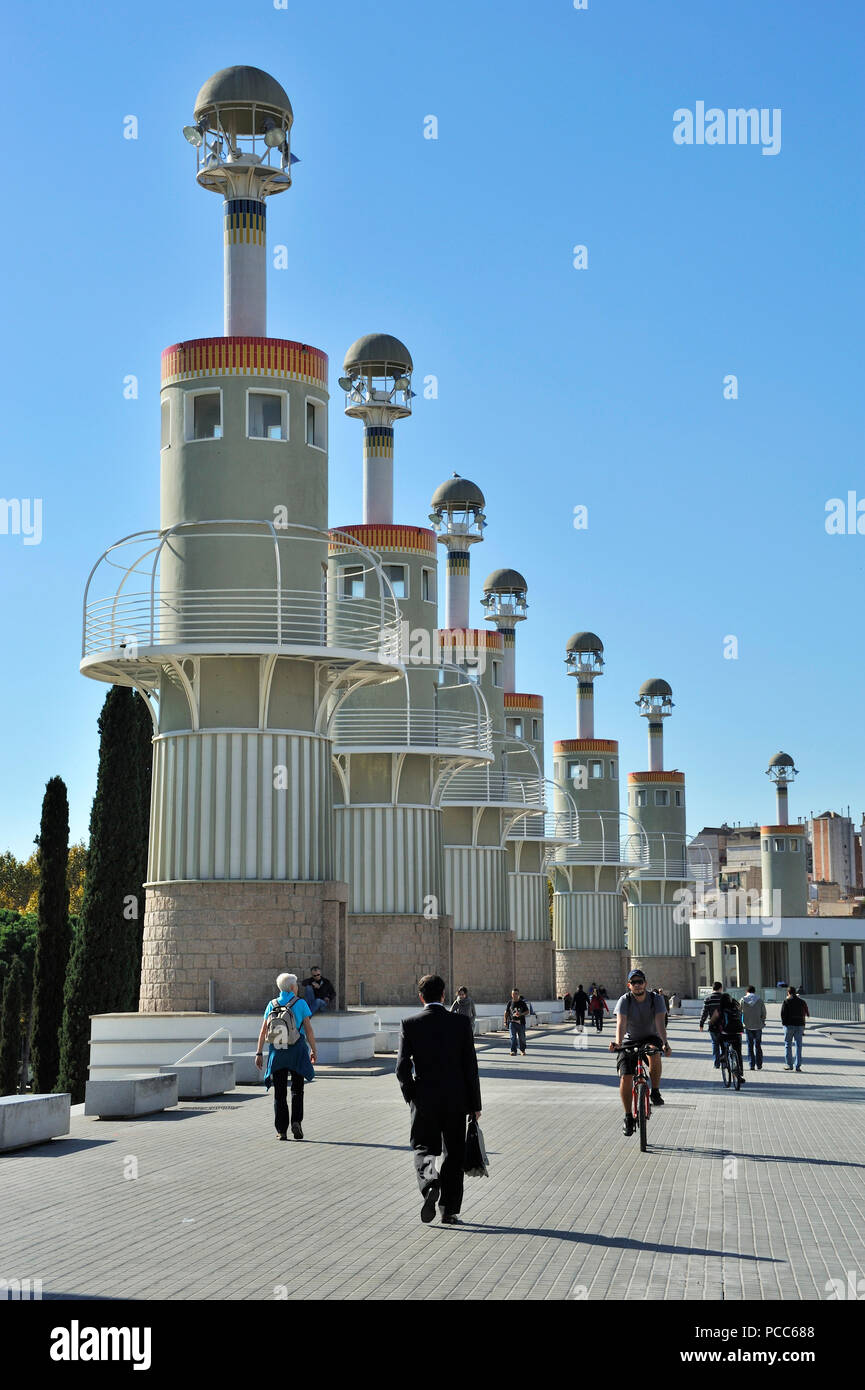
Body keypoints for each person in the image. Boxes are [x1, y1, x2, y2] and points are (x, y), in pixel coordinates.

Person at [396, 973, 482, 1225]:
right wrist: (475, 1105)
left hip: (424, 1099)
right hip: (456, 1101)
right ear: (444, 995)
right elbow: (471, 1067)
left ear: (421, 996)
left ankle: (430, 1182)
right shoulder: (460, 1023)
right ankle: (449, 1210)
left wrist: (412, 1095)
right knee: (454, 1153)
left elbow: (401, 1067)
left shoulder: (409, 1023)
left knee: (423, 1147)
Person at [255, 972, 317, 1140]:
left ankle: (281, 1130)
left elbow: (263, 1030)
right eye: (296, 985)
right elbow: (309, 1029)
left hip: (277, 1052)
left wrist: (259, 1052)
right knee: (297, 1090)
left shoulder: (272, 1004)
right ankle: (296, 1122)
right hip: (297, 1051)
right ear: (291, 987)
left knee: (279, 1093)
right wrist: (313, 1049)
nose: (297, 987)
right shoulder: (301, 1003)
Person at [610, 970, 671, 1133]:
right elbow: (621, 1024)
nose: (637, 985)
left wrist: (664, 1043)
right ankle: (628, 1116)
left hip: (651, 1037)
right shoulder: (625, 1000)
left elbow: (660, 1023)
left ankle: (655, 1091)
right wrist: (617, 1042)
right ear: (629, 985)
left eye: (640, 982)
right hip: (630, 1041)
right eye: (634, 982)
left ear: (645, 983)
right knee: (626, 1077)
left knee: (654, 1052)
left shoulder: (656, 999)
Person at [706, 990, 745, 1078]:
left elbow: (712, 1021)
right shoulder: (737, 1008)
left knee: (721, 1041)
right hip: (738, 1032)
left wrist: (710, 1023)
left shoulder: (719, 1010)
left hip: (726, 1033)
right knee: (738, 1052)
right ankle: (740, 1073)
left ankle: (724, 1055)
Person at [781, 986, 809, 1071]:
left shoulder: (786, 1001)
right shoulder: (801, 1001)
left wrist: (784, 1024)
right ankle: (798, 1066)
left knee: (788, 1045)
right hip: (799, 1025)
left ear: (788, 993)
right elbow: (804, 1012)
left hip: (789, 1025)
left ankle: (789, 1065)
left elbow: (783, 1014)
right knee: (798, 1046)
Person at [698, 981, 727, 1066]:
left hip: (713, 1024)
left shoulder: (708, 998)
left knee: (715, 1043)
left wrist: (701, 1023)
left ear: (712, 988)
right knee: (724, 1044)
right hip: (724, 1025)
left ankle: (716, 1064)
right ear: (721, 988)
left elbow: (704, 1012)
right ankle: (724, 1062)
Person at [739, 984, 767, 1070]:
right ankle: (759, 1064)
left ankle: (751, 1065)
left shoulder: (743, 1000)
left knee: (750, 1046)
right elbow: (764, 1013)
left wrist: (742, 1022)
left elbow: (739, 1012)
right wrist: (762, 1021)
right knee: (758, 1046)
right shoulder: (759, 1000)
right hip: (758, 1026)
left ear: (746, 991)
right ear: (754, 991)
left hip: (747, 1026)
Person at [504, 988, 530, 1055]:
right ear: (511, 995)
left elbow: (527, 1011)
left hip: (521, 1023)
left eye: (516, 994)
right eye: (513, 994)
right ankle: (513, 1051)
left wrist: (521, 1014)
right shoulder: (510, 1003)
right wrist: (505, 1021)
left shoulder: (522, 1003)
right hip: (512, 1022)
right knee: (513, 1037)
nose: (514, 995)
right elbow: (506, 1013)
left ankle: (522, 1050)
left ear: (518, 994)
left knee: (522, 1038)